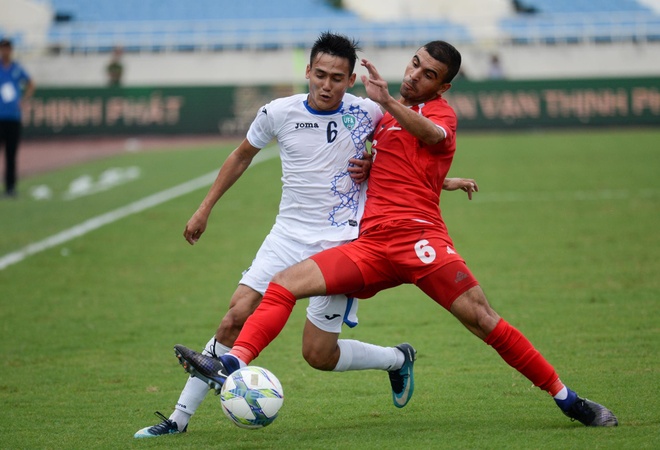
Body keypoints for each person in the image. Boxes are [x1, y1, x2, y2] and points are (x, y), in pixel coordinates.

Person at [176, 40, 618, 428]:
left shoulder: (431, 113)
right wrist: (436, 176)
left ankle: (568, 400)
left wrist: (389, 103)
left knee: (484, 320)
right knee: (285, 286)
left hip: (422, 243)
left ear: (442, 87)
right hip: (367, 246)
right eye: (414, 64)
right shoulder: (379, 120)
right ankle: (233, 362)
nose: (415, 76)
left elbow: (431, 136)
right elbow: (404, 165)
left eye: (429, 75)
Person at [135, 32, 478, 438]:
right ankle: (178, 419)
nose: (327, 85)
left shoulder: (370, 113)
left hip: (344, 244)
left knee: (318, 354)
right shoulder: (277, 112)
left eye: (337, 77)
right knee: (234, 315)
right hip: (287, 236)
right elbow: (241, 155)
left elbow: (404, 163)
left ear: (351, 80)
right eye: (320, 75)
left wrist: (446, 180)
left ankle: (395, 359)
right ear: (308, 72)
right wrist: (204, 208)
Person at [0, 38, 35, 198]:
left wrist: (24, 100)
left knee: (11, 154)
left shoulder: (16, 68)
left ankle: (10, 188)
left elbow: (31, 83)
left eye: (7, 48)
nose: (5, 51)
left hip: (13, 117)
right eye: (3, 48)